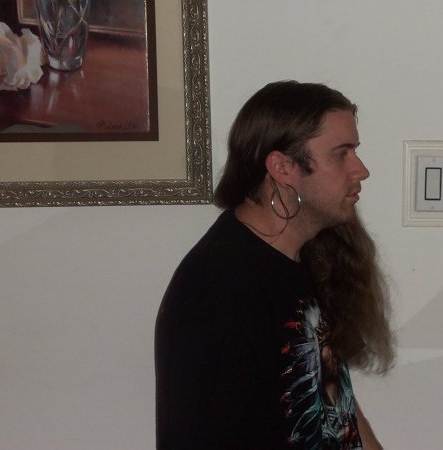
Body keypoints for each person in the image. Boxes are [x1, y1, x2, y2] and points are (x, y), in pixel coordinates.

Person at [155, 80, 395, 449]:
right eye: (341, 154)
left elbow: (336, 403)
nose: (360, 170)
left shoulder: (302, 255)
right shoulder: (223, 290)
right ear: (283, 167)